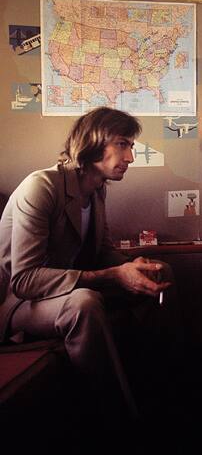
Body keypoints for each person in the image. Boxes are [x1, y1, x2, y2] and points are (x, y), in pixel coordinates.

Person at [0, 107, 176, 437]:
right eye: (123, 144)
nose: (131, 157)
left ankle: (158, 382)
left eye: (131, 146)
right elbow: (24, 280)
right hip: (21, 303)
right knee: (83, 303)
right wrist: (113, 275)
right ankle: (115, 418)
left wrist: (131, 266)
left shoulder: (96, 190)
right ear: (93, 141)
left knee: (159, 270)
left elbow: (101, 252)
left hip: (72, 287)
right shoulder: (41, 186)